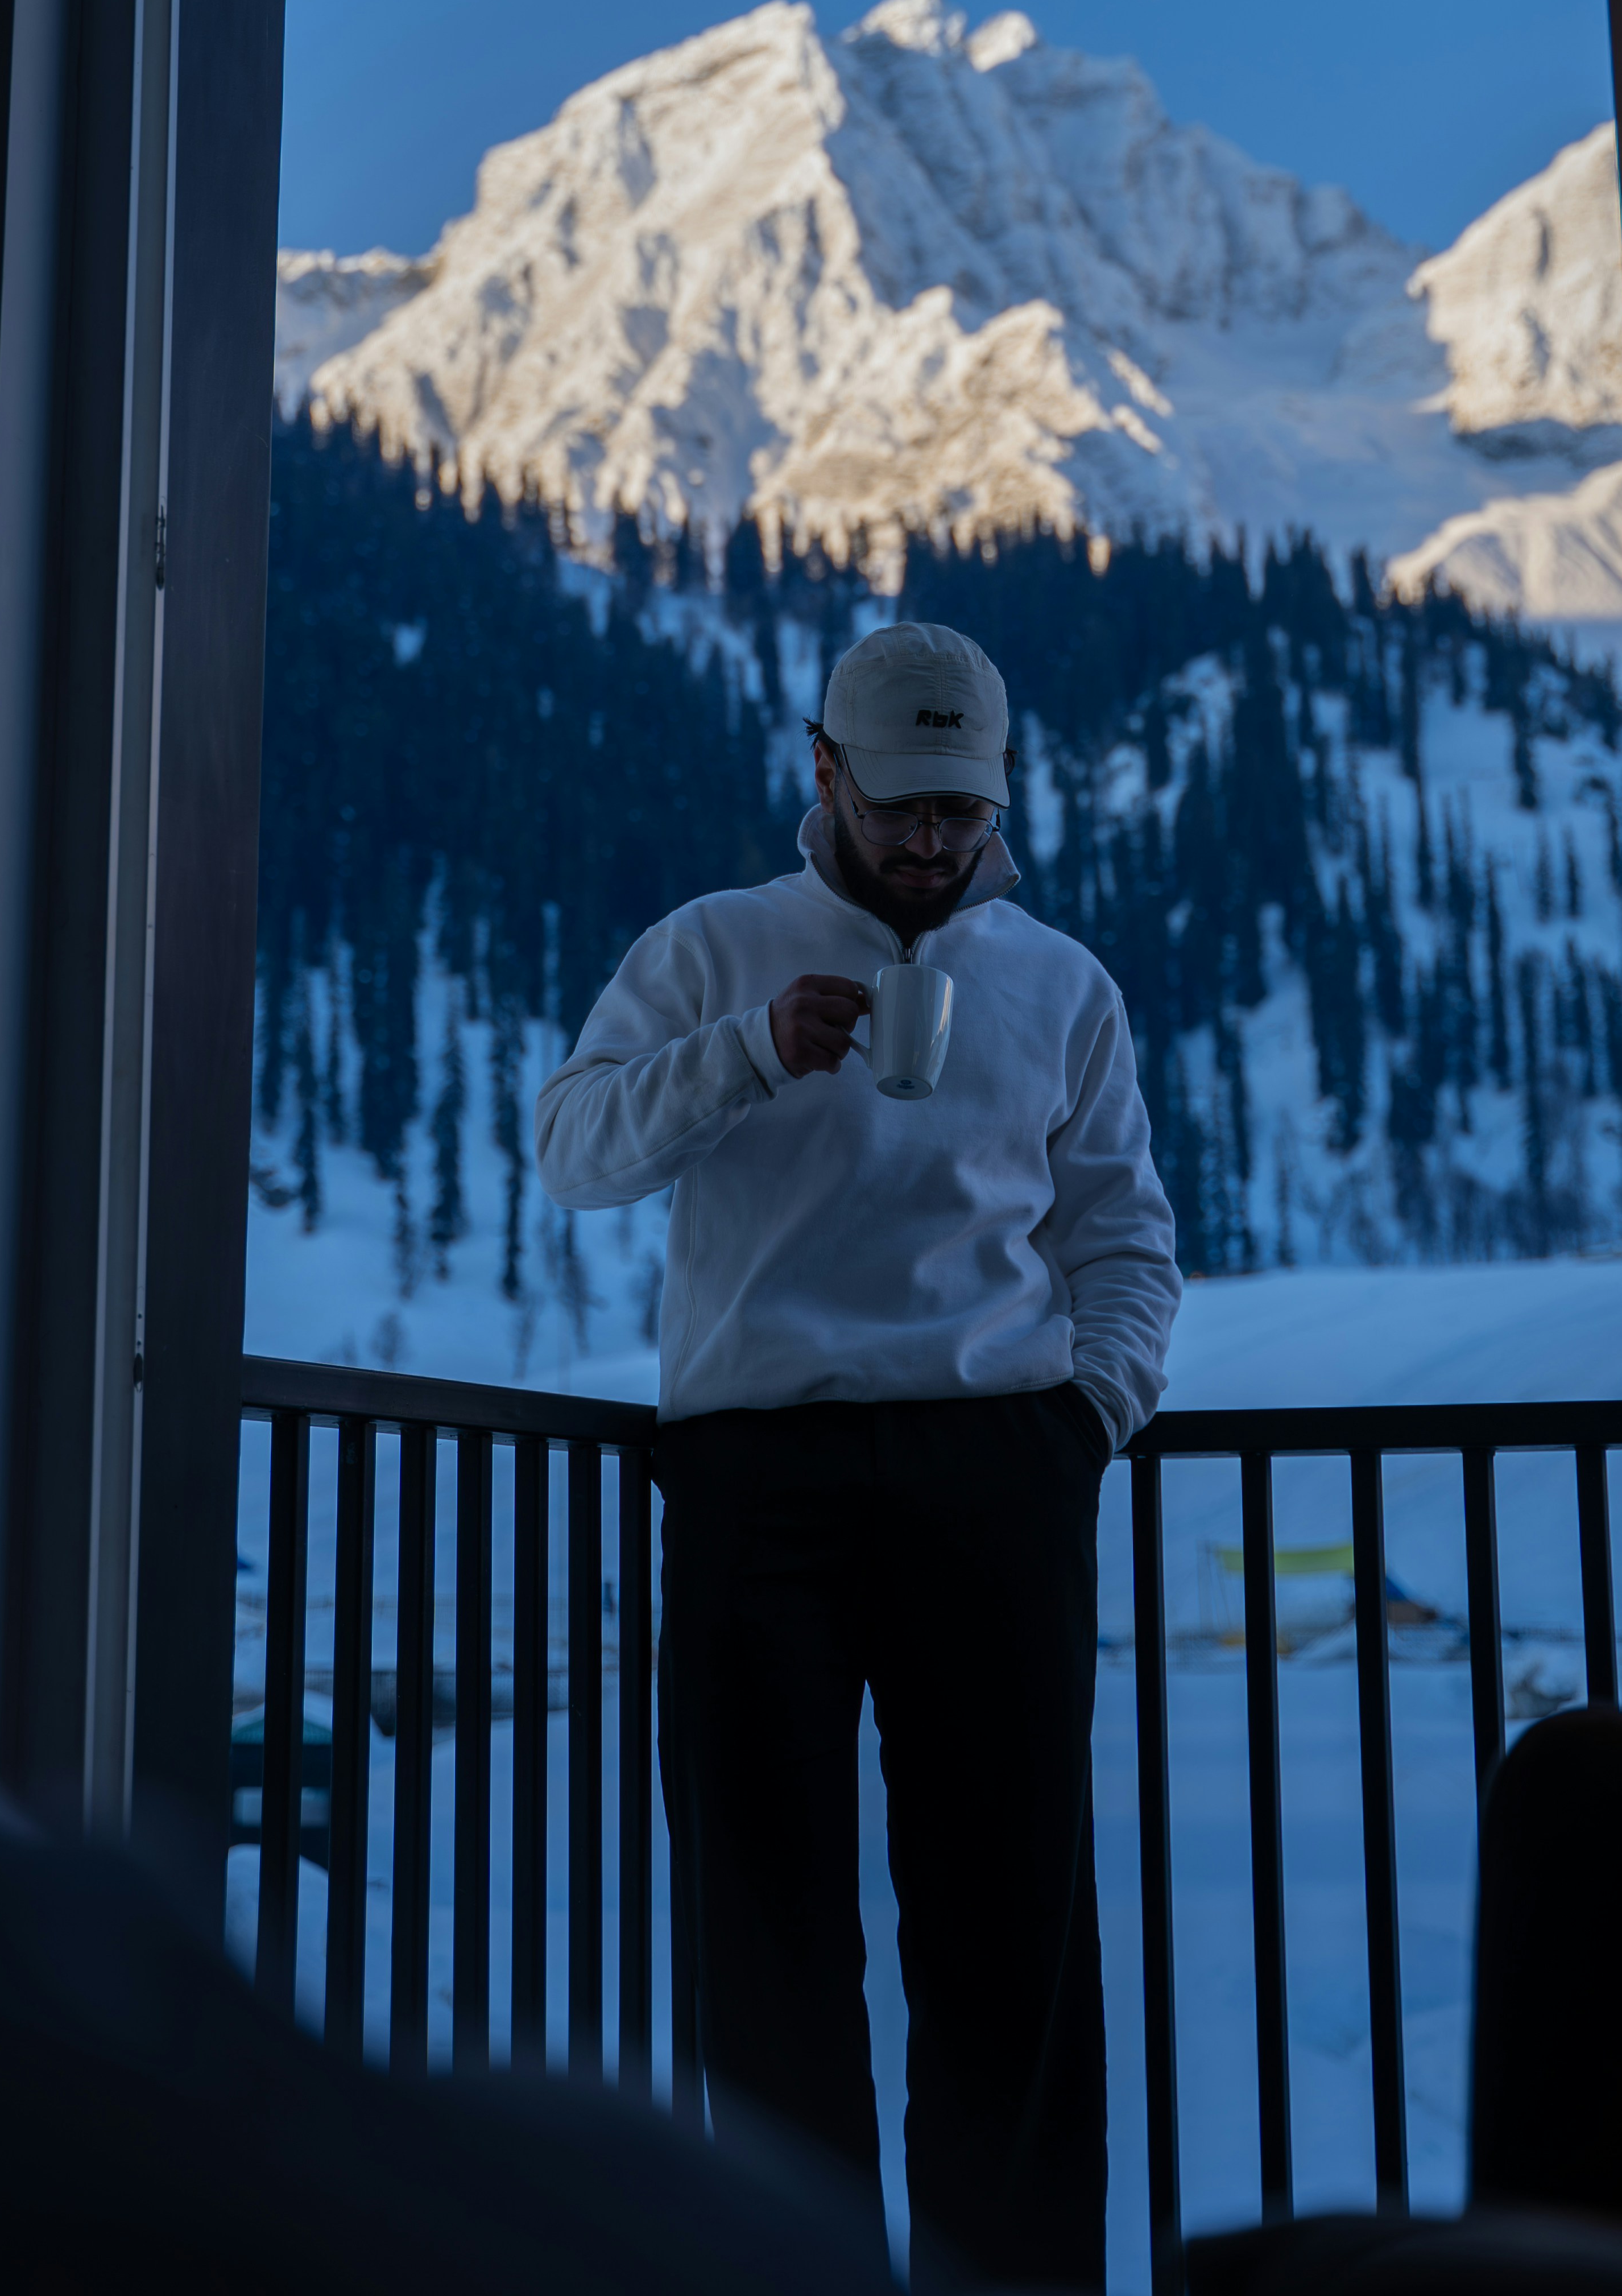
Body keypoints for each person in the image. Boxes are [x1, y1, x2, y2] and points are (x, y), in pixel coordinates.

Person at [537, 621, 1181, 2291]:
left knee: (1012, 1938)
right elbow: (572, 1147)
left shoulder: (1061, 983)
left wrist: (1082, 1422)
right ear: (824, 768)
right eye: (900, 803)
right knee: (766, 1934)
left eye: (959, 811)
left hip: (996, 1477)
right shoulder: (714, 949)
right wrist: (749, 1053)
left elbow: (1125, 1238)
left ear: (998, 796)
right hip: (763, 1485)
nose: (927, 841)